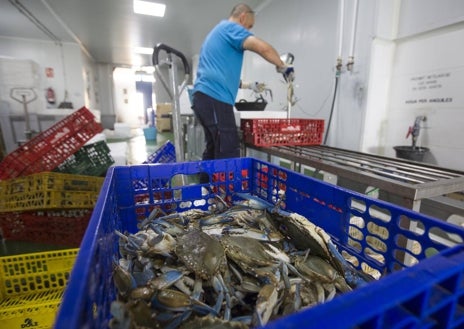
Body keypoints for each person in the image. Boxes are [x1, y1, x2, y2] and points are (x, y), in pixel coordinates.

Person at [191, 3, 294, 162]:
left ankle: (206, 187)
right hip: (215, 99)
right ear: (243, 17)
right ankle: (224, 187)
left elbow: (221, 74)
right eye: (249, 26)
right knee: (228, 150)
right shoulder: (231, 28)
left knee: (214, 148)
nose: (248, 31)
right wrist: (283, 66)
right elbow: (263, 48)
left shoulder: (219, 32)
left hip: (204, 98)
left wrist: (249, 85)